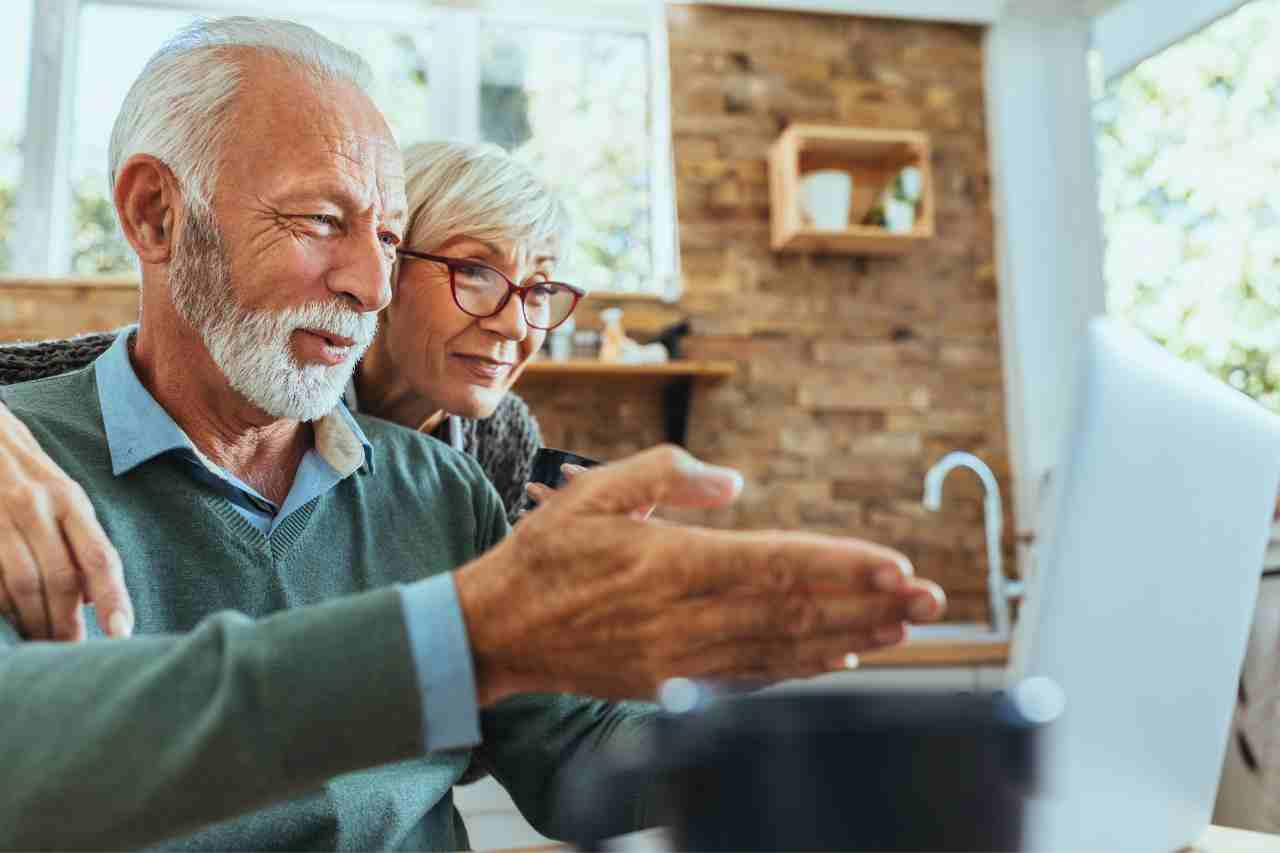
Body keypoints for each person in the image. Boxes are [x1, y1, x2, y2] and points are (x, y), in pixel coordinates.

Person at [0, 17, 946, 850]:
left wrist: (748, 710)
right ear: (156, 214)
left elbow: (570, 760)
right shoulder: (19, 468)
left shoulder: (443, 484)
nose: (368, 286)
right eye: (324, 219)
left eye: (385, 235)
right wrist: (467, 637)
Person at [0, 139, 580, 642]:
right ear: (386, 264)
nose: (516, 323)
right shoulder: (241, 372)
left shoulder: (500, 440)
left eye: (540, 289)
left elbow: (477, 721)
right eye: (476, 271)